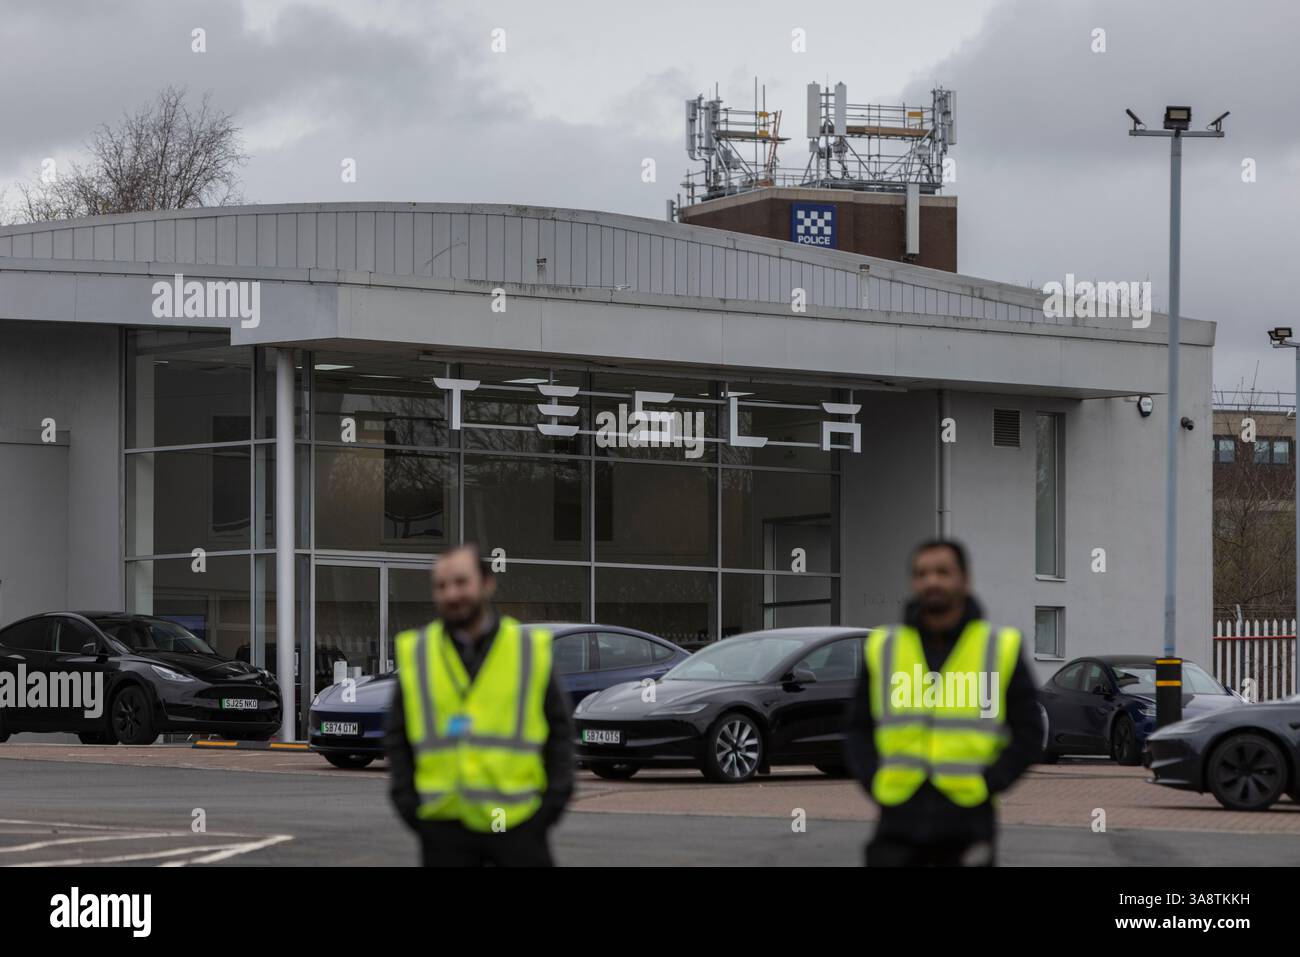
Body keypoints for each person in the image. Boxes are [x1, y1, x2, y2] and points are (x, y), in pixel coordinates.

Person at [844, 539, 1041, 866]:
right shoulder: (884, 646)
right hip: (898, 819)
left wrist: (990, 782)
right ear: (913, 582)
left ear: (965, 580)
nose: (932, 581)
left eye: (942, 572)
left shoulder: (999, 646)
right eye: (922, 573)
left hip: (967, 819)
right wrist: (873, 780)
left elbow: (1029, 731)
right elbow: (857, 727)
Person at [384, 544, 574, 866]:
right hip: (444, 827)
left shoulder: (526, 650)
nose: (451, 594)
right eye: (441, 586)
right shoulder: (418, 652)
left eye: (461, 582)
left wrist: (549, 807)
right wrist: (410, 806)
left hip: (518, 824)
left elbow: (560, 732)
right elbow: (397, 736)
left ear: (487, 583)